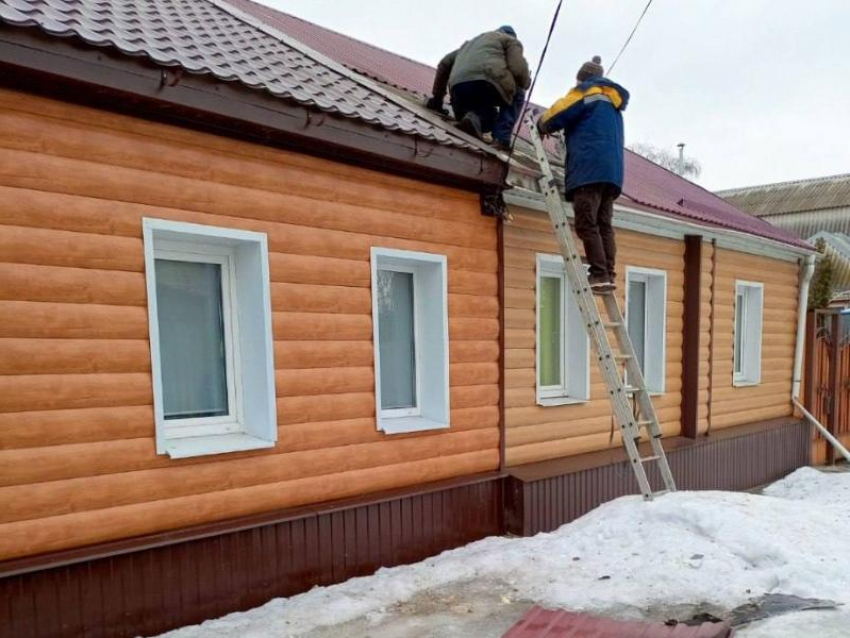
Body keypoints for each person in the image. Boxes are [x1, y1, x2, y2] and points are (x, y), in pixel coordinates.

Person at [536, 56, 630, 292]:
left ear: (583, 78)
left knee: (586, 223)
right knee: (603, 224)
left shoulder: (588, 92)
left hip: (589, 170)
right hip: (612, 174)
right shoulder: (613, 103)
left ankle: (598, 273)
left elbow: (560, 111)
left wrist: (542, 124)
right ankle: (608, 273)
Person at [426, 26, 530, 151]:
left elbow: (443, 64)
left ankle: (472, 118)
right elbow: (518, 70)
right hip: (485, 83)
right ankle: (501, 139)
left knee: (489, 117)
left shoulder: (468, 45)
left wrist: (437, 100)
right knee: (518, 91)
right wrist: (526, 82)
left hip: (458, 90)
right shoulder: (509, 40)